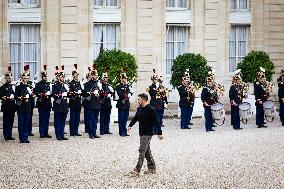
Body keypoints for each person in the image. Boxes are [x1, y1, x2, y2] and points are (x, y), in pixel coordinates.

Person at [128, 93, 163, 176]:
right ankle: (152, 168)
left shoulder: (151, 109)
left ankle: (137, 170)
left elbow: (157, 122)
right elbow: (136, 118)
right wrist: (130, 125)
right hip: (141, 132)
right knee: (147, 151)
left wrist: (159, 133)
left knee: (142, 150)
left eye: (139, 99)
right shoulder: (139, 109)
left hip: (148, 133)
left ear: (143, 100)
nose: (137, 101)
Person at [34, 65, 52, 138]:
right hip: (41, 104)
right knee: (42, 119)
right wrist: (44, 94)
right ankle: (42, 133)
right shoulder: (38, 84)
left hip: (48, 103)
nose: (45, 78)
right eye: (44, 77)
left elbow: (52, 92)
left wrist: (50, 93)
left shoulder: (48, 84)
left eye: (46, 77)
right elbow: (37, 93)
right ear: (42, 77)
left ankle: (46, 132)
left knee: (47, 119)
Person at [83, 64, 101, 139]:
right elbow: (85, 93)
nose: (96, 77)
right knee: (90, 119)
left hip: (97, 103)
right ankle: (90, 133)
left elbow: (100, 92)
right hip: (90, 104)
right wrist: (93, 92)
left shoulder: (97, 84)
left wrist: (99, 91)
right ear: (92, 75)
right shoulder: (87, 84)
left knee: (95, 119)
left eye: (96, 76)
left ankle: (94, 132)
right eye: (95, 75)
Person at [51, 65, 69, 140]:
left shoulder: (65, 85)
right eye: (62, 77)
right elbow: (53, 94)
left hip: (64, 104)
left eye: (63, 77)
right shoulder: (55, 85)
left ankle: (62, 134)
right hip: (58, 105)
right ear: (58, 77)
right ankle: (58, 135)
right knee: (57, 121)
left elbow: (69, 93)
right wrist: (61, 95)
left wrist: (68, 93)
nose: (63, 78)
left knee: (63, 121)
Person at [15, 70, 32, 143]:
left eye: (27, 78)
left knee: (26, 122)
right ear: (22, 78)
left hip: (27, 107)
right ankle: (21, 138)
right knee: (21, 123)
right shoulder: (18, 87)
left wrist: (32, 95)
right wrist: (22, 97)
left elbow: (31, 96)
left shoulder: (29, 87)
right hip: (21, 107)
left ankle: (26, 137)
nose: (26, 79)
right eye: (25, 78)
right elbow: (16, 96)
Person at [148, 69, 166, 134]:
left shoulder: (160, 86)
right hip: (154, 103)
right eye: (154, 79)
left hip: (160, 103)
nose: (155, 80)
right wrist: (157, 89)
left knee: (159, 118)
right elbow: (151, 93)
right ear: (152, 80)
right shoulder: (150, 87)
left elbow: (163, 95)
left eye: (156, 79)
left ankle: (157, 130)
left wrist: (164, 102)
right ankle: (152, 130)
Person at [0, 66, 16, 141]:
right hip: (6, 106)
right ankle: (6, 135)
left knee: (11, 121)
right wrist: (7, 97)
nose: (10, 79)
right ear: (6, 78)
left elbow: (16, 94)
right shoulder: (3, 87)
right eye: (8, 78)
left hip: (12, 106)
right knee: (6, 121)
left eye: (10, 78)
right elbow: (1, 96)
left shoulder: (13, 87)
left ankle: (9, 134)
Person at [115, 72, 133, 137]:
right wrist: (126, 95)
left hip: (127, 104)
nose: (124, 80)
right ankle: (121, 132)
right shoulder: (118, 86)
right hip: (121, 104)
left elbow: (131, 92)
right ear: (121, 79)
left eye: (125, 78)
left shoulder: (127, 86)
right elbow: (120, 94)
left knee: (125, 119)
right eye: (123, 78)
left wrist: (130, 94)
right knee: (121, 119)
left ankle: (124, 131)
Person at [68, 64, 83, 136]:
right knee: (73, 118)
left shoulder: (79, 83)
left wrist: (81, 92)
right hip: (73, 102)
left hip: (78, 102)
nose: (77, 76)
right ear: (73, 75)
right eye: (76, 75)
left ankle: (76, 131)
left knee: (77, 118)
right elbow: (69, 93)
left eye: (77, 75)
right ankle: (72, 132)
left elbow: (82, 91)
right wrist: (75, 93)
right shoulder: (71, 83)